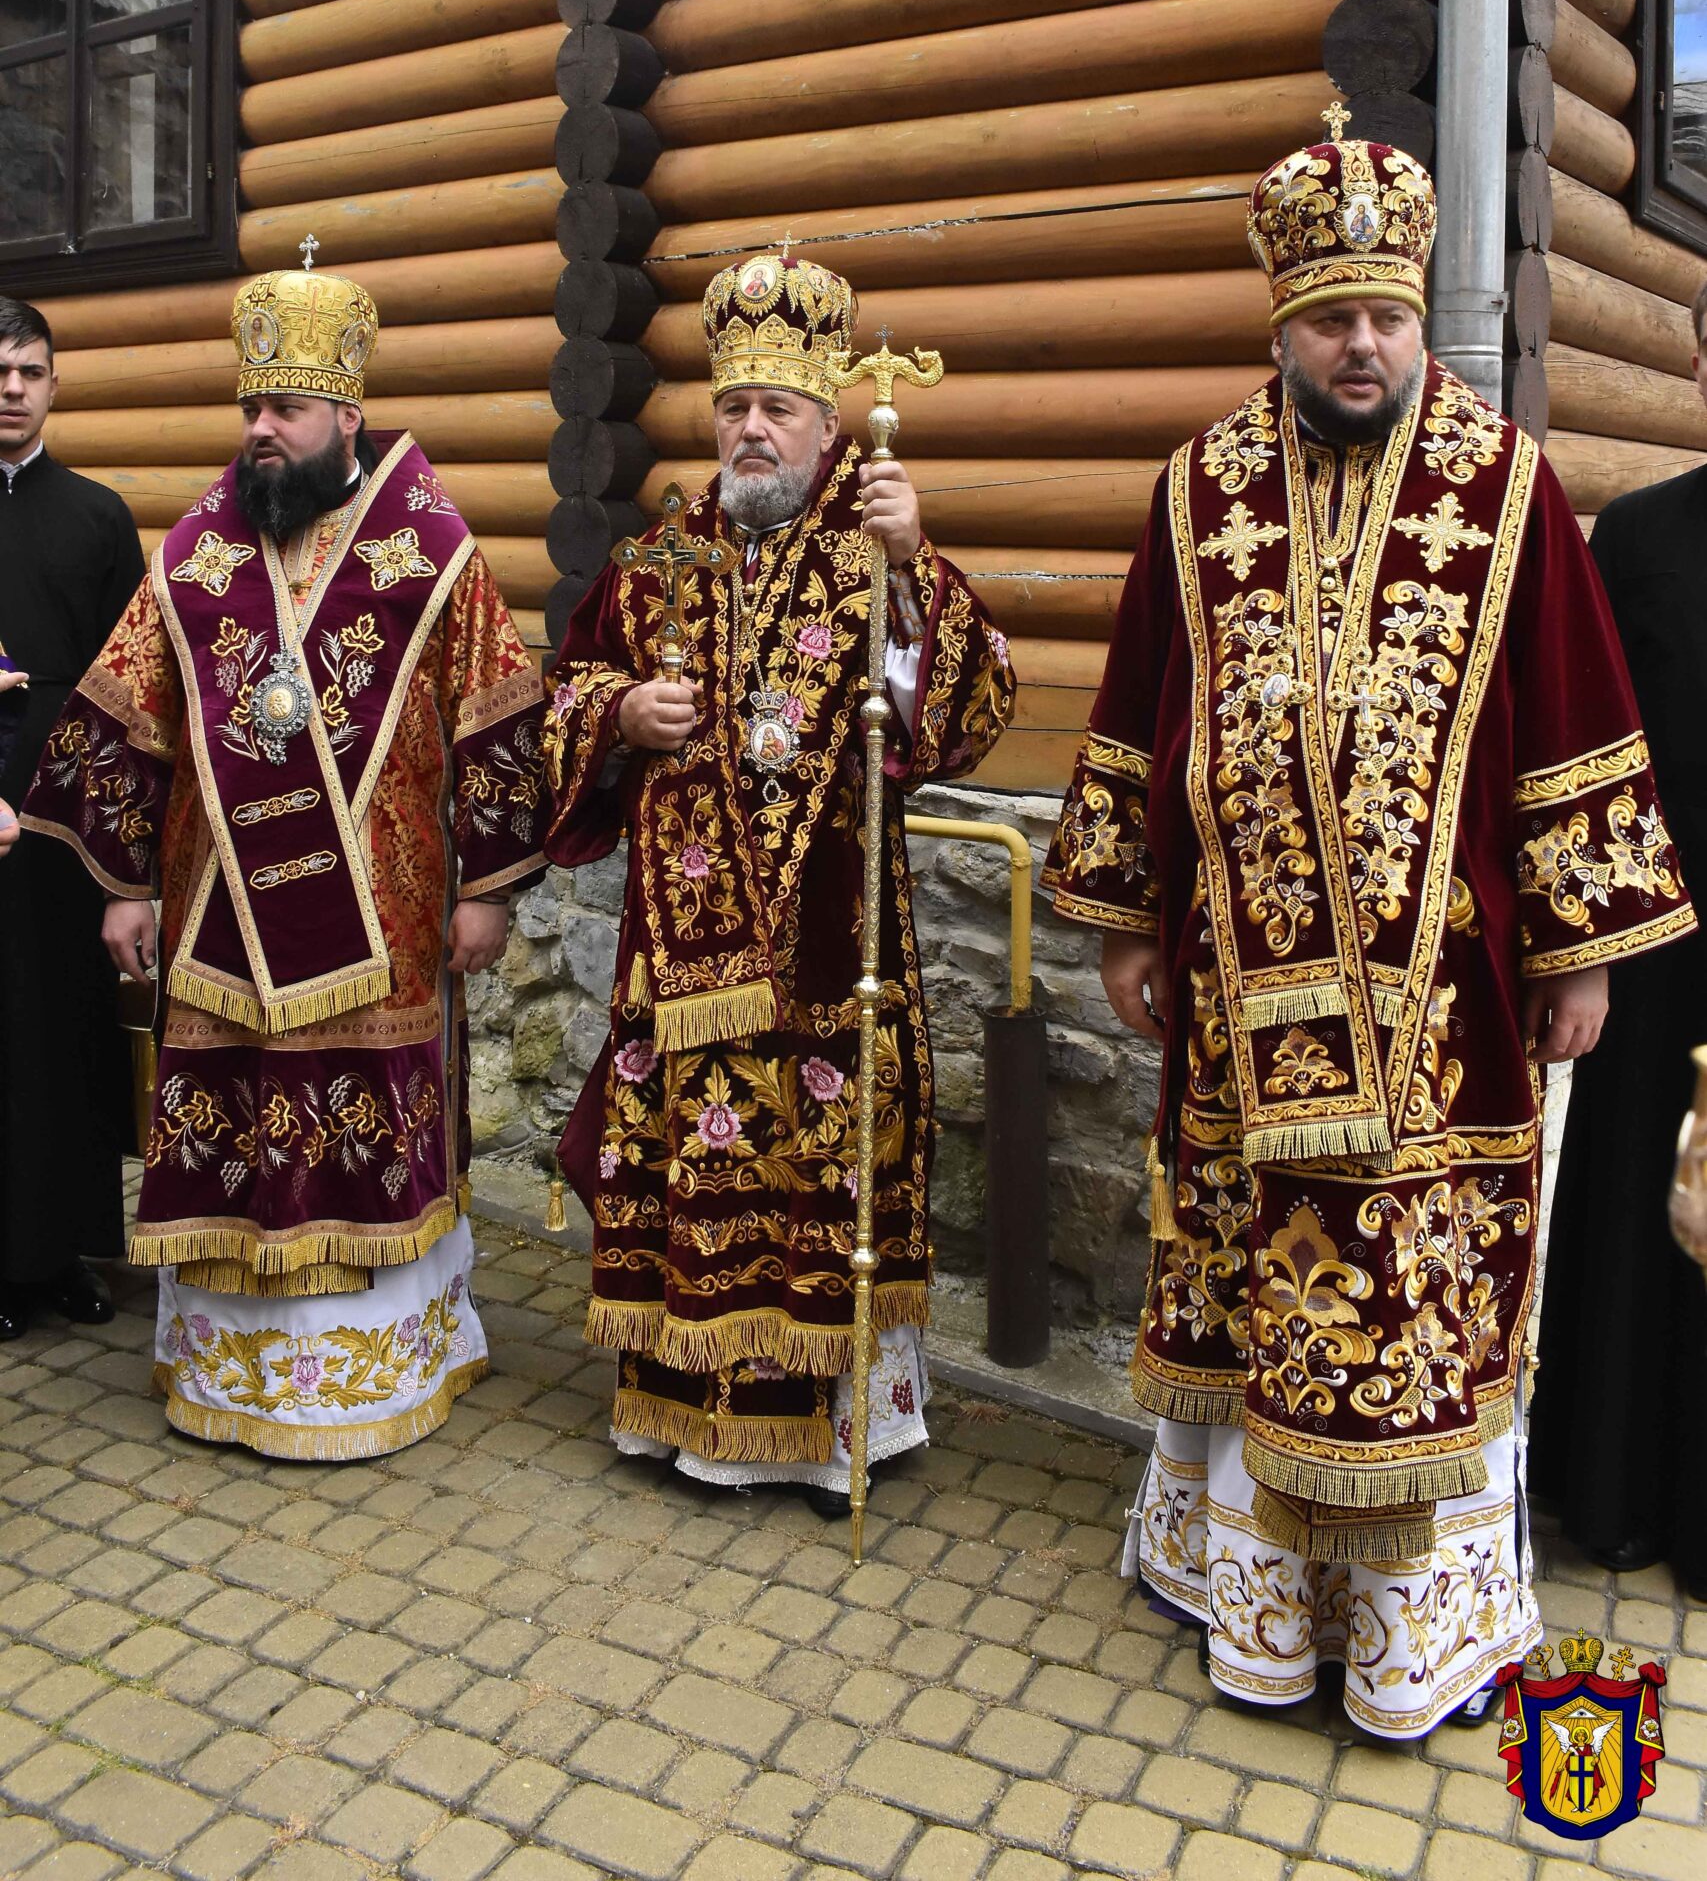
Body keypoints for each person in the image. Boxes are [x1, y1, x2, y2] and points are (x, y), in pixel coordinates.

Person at [1044, 110, 1695, 1740]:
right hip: (1231, 993)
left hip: (1446, 1010)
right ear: (1282, 324)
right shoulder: (1196, 490)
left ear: (1418, 321)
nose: (1359, 344)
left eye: (1384, 317)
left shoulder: (1506, 488)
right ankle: (1249, 1603)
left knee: (1421, 1309)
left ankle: (1411, 1642)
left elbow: (1572, 722)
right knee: (1246, 1280)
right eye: (1329, 317)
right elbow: (1137, 710)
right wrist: (1125, 922)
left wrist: (1581, 959)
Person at [20, 254, 546, 1456]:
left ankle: (373, 1371)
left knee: (362, 1112)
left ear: (346, 416)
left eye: (287, 409)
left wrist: (491, 890)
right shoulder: (198, 551)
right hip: (215, 912)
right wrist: (122, 885)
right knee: (233, 1108)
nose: (259, 428)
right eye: (251, 407)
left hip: (388, 917)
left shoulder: (431, 548)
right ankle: (233, 1367)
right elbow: (131, 716)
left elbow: (500, 719)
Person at [543, 249, 1015, 1507]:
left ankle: (835, 1430)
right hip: (680, 966)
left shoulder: (875, 539)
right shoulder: (658, 555)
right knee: (696, 1168)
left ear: (826, 418)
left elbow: (968, 713)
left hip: (831, 944)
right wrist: (619, 713)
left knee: (823, 1170)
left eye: (781, 408)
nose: (753, 429)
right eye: (736, 407)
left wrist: (914, 569)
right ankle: (683, 1414)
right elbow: (564, 696)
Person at [1529, 274, 1707, 1601]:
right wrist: (1579, 943)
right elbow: (1585, 746)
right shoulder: (1638, 537)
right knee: (1640, 1205)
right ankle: (1618, 1492)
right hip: (1661, 952)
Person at [0, 297, 144, 1343]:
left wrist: (122, 848)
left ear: (55, 384)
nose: (10, 388)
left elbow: (131, 689)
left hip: (67, 828)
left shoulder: (98, 516)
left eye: (29, 371)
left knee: (64, 1031)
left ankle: (65, 1254)